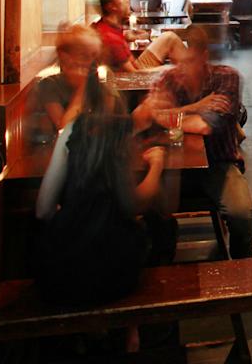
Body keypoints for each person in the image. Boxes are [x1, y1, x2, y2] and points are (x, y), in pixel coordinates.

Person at [34, 59, 167, 315]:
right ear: (114, 102)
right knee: (161, 228)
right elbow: (133, 204)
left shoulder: (69, 132)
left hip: (59, 277)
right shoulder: (118, 133)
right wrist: (157, 166)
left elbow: (43, 210)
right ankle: (136, 327)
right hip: (114, 275)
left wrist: (71, 211)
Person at [146, 27, 252, 259]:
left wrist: (167, 115)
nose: (181, 69)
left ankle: (243, 265)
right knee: (147, 211)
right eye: (177, 62)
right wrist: (196, 107)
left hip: (218, 163)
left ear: (204, 56)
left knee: (242, 214)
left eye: (189, 62)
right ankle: (160, 266)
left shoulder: (226, 77)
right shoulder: (168, 79)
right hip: (169, 164)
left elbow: (204, 126)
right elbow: (149, 115)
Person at [35, 24, 123, 131]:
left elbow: (106, 123)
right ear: (65, 58)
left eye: (95, 56)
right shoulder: (49, 85)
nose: (91, 62)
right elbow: (64, 129)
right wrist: (82, 88)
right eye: (84, 56)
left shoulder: (102, 81)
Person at [93, 0, 186, 72]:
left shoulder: (105, 25)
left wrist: (129, 35)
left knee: (169, 37)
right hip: (136, 75)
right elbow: (133, 74)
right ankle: (189, 72)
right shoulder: (112, 39)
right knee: (173, 66)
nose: (127, 0)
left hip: (136, 65)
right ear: (111, 7)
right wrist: (166, 69)